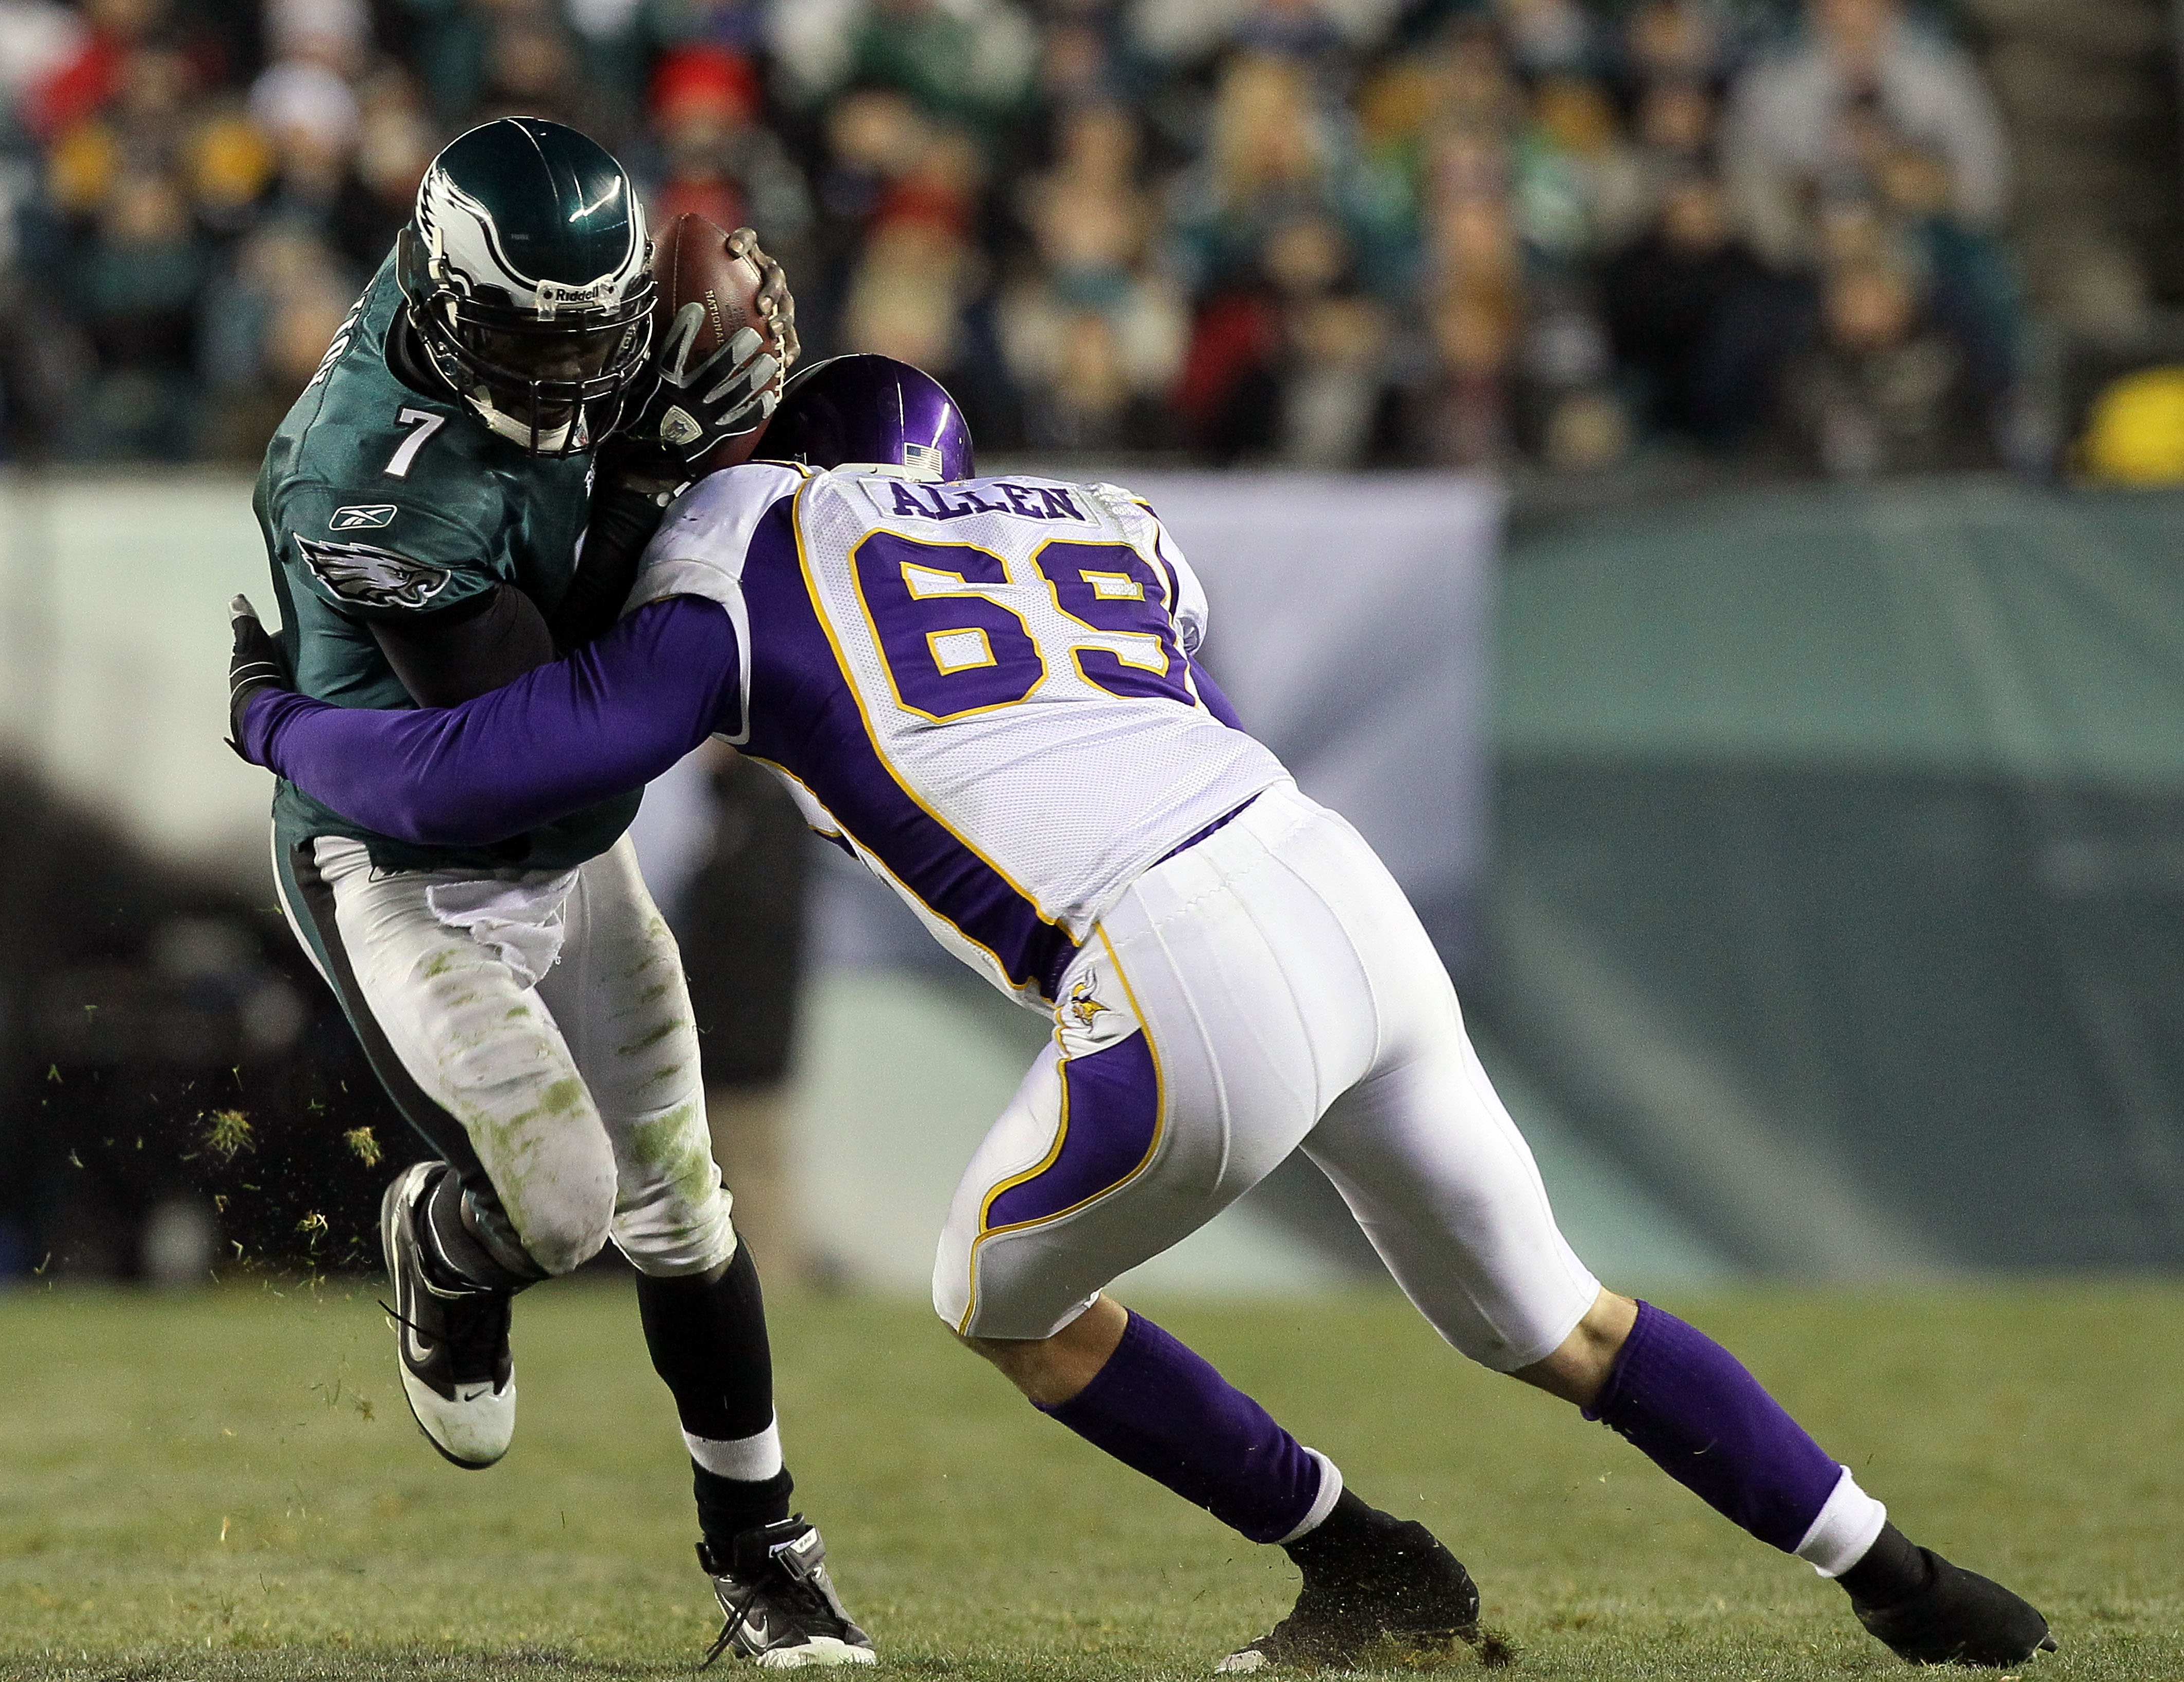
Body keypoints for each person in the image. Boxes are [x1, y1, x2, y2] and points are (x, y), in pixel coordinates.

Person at [226, 353, 2055, 1673]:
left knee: (992, 1298)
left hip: (1178, 961)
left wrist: (280, 723)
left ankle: (1371, 1567)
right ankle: (1904, 1582)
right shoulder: (1108, 524)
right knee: (1558, 1320)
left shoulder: (753, 550)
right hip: (1333, 885)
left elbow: (495, 761)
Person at [247, 115, 872, 1666]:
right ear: (449, 303)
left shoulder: (571, 314)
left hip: (580, 846)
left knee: (685, 1204)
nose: (571, 376)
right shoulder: (367, 474)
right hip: (412, 861)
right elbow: (527, 730)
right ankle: (450, 1245)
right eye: (532, 344)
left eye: (593, 338)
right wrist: (659, 474)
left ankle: (766, 1558)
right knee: (567, 1205)